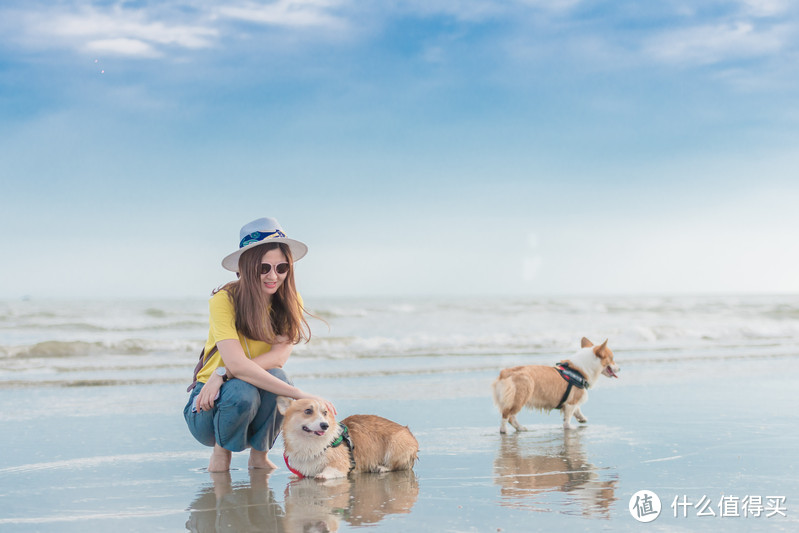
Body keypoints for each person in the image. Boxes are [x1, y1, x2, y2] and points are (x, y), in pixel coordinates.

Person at [184, 217, 335, 472]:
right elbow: (236, 363)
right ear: (245, 268)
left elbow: (278, 358)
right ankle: (220, 455)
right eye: (264, 268)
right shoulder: (224, 300)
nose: (273, 276)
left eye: (281, 267)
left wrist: (222, 374)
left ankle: (259, 456)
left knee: (278, 377)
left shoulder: (289, 299)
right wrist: (300, 394)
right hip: (207, 406)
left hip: (243, 394)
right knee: (244, 389)